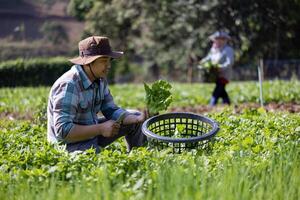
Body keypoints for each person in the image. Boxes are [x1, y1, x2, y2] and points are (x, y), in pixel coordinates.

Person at [47, 36, 147, 153]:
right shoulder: (69, 85)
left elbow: (110, 110)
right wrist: (100, 129)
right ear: (87, 63)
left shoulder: (99, 79)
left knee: (134, 116)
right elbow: (63, 131)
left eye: (109, 60)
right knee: (97, 163)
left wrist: (137, 119)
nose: (108, 65)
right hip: (67, 145)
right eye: (104, 61)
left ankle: (139, 155)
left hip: (91, 133)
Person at [199, 31, 234, 106]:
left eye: (221, 39)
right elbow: (209, 57)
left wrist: (220, 67)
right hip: (216, 75)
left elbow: (229, 62)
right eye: (217, 39)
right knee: (222, 91)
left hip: (224, 74)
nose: (218, 41)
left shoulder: (228, 50)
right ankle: (228, 104)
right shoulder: (214, 49)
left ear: (224, 40)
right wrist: (202, 62)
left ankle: (211, 105)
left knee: (217, 91)